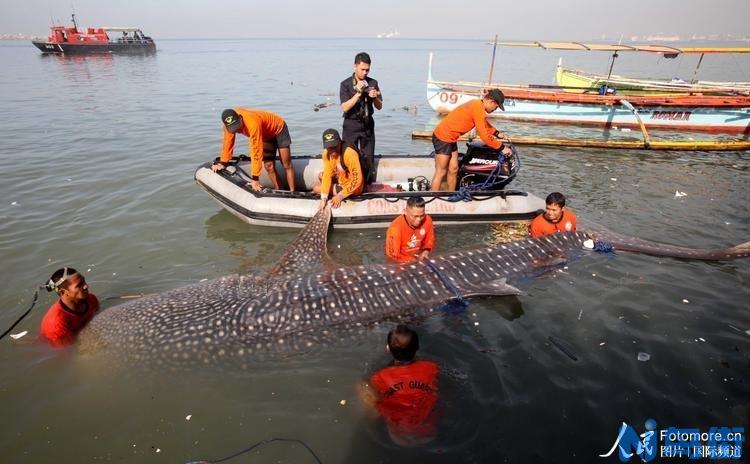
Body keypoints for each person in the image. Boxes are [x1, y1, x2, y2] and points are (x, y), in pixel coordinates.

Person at [358, 325, 439, 447]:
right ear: (417, 347)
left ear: (388, 349)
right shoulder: (432, 368)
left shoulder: (378, 377)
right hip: (429, 431)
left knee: (361, 386)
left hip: (399, 435)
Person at [431, 88, 511, 191]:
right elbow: (484, 136)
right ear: (492, 102)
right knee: (441, 171)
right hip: (442, 136)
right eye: (496, 107)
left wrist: (496, 133)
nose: (495, 109)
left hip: (451, 138)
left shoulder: (478, 106)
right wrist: (502, 148)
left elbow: (484, 125)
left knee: (454, 169)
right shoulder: (477, 107)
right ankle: (432, 198)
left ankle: (450, 195)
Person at [212, 108, 296, 192]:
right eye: (234, 129)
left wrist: (255, 179)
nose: (237, 130)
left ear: (240, 118)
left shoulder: (252, 123)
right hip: (265, 135)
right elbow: (227, 143)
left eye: (238, 126)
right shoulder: (228, 126)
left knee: (286, 164)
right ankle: (280, 190)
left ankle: (293, 192)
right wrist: (222, 162)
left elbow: (256, 150)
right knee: (269, 166)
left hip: (278, 128)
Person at [340, 52, 382, 185]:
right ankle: (348, 183)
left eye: (367, 70)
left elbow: (380, 106)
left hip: (367, 125)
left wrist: (375, 97)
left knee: (368, 158)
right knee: (348, 156)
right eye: (362, 69)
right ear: (355, 66)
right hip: (351, 125)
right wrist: (358, 93)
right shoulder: (346, 84)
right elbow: (345, 107)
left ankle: (367, 184)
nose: (365, 72)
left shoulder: (373, 82)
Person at [40, 267, 99, 347]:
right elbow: (67, 353)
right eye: (79, 285)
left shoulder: (91, 299)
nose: (86, 286)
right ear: (63, 292)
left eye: (84, 281)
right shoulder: (56, 325)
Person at [313, 129, 364, 210]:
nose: (333, 151)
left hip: (353, 186)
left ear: (340, 142)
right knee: (321, 176)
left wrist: (340, 196)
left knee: (316, 188)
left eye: (335, 146)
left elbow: (357, 180)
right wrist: (323, 199)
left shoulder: (349, 154)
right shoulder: (326, 153)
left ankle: (337, 190)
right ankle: (333, 190)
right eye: (330, 148)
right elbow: (327, 175)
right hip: (341, 177)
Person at [385, 197, 435, 263]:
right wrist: (412, 260)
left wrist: (426, 251)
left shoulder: (427, 220)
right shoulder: (395, 228)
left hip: (418, 257)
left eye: (421, 216)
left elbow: (430, 240)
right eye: (415, 216)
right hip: (401, 262)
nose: (419, 220)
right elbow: (393, 255)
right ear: (405, 212)